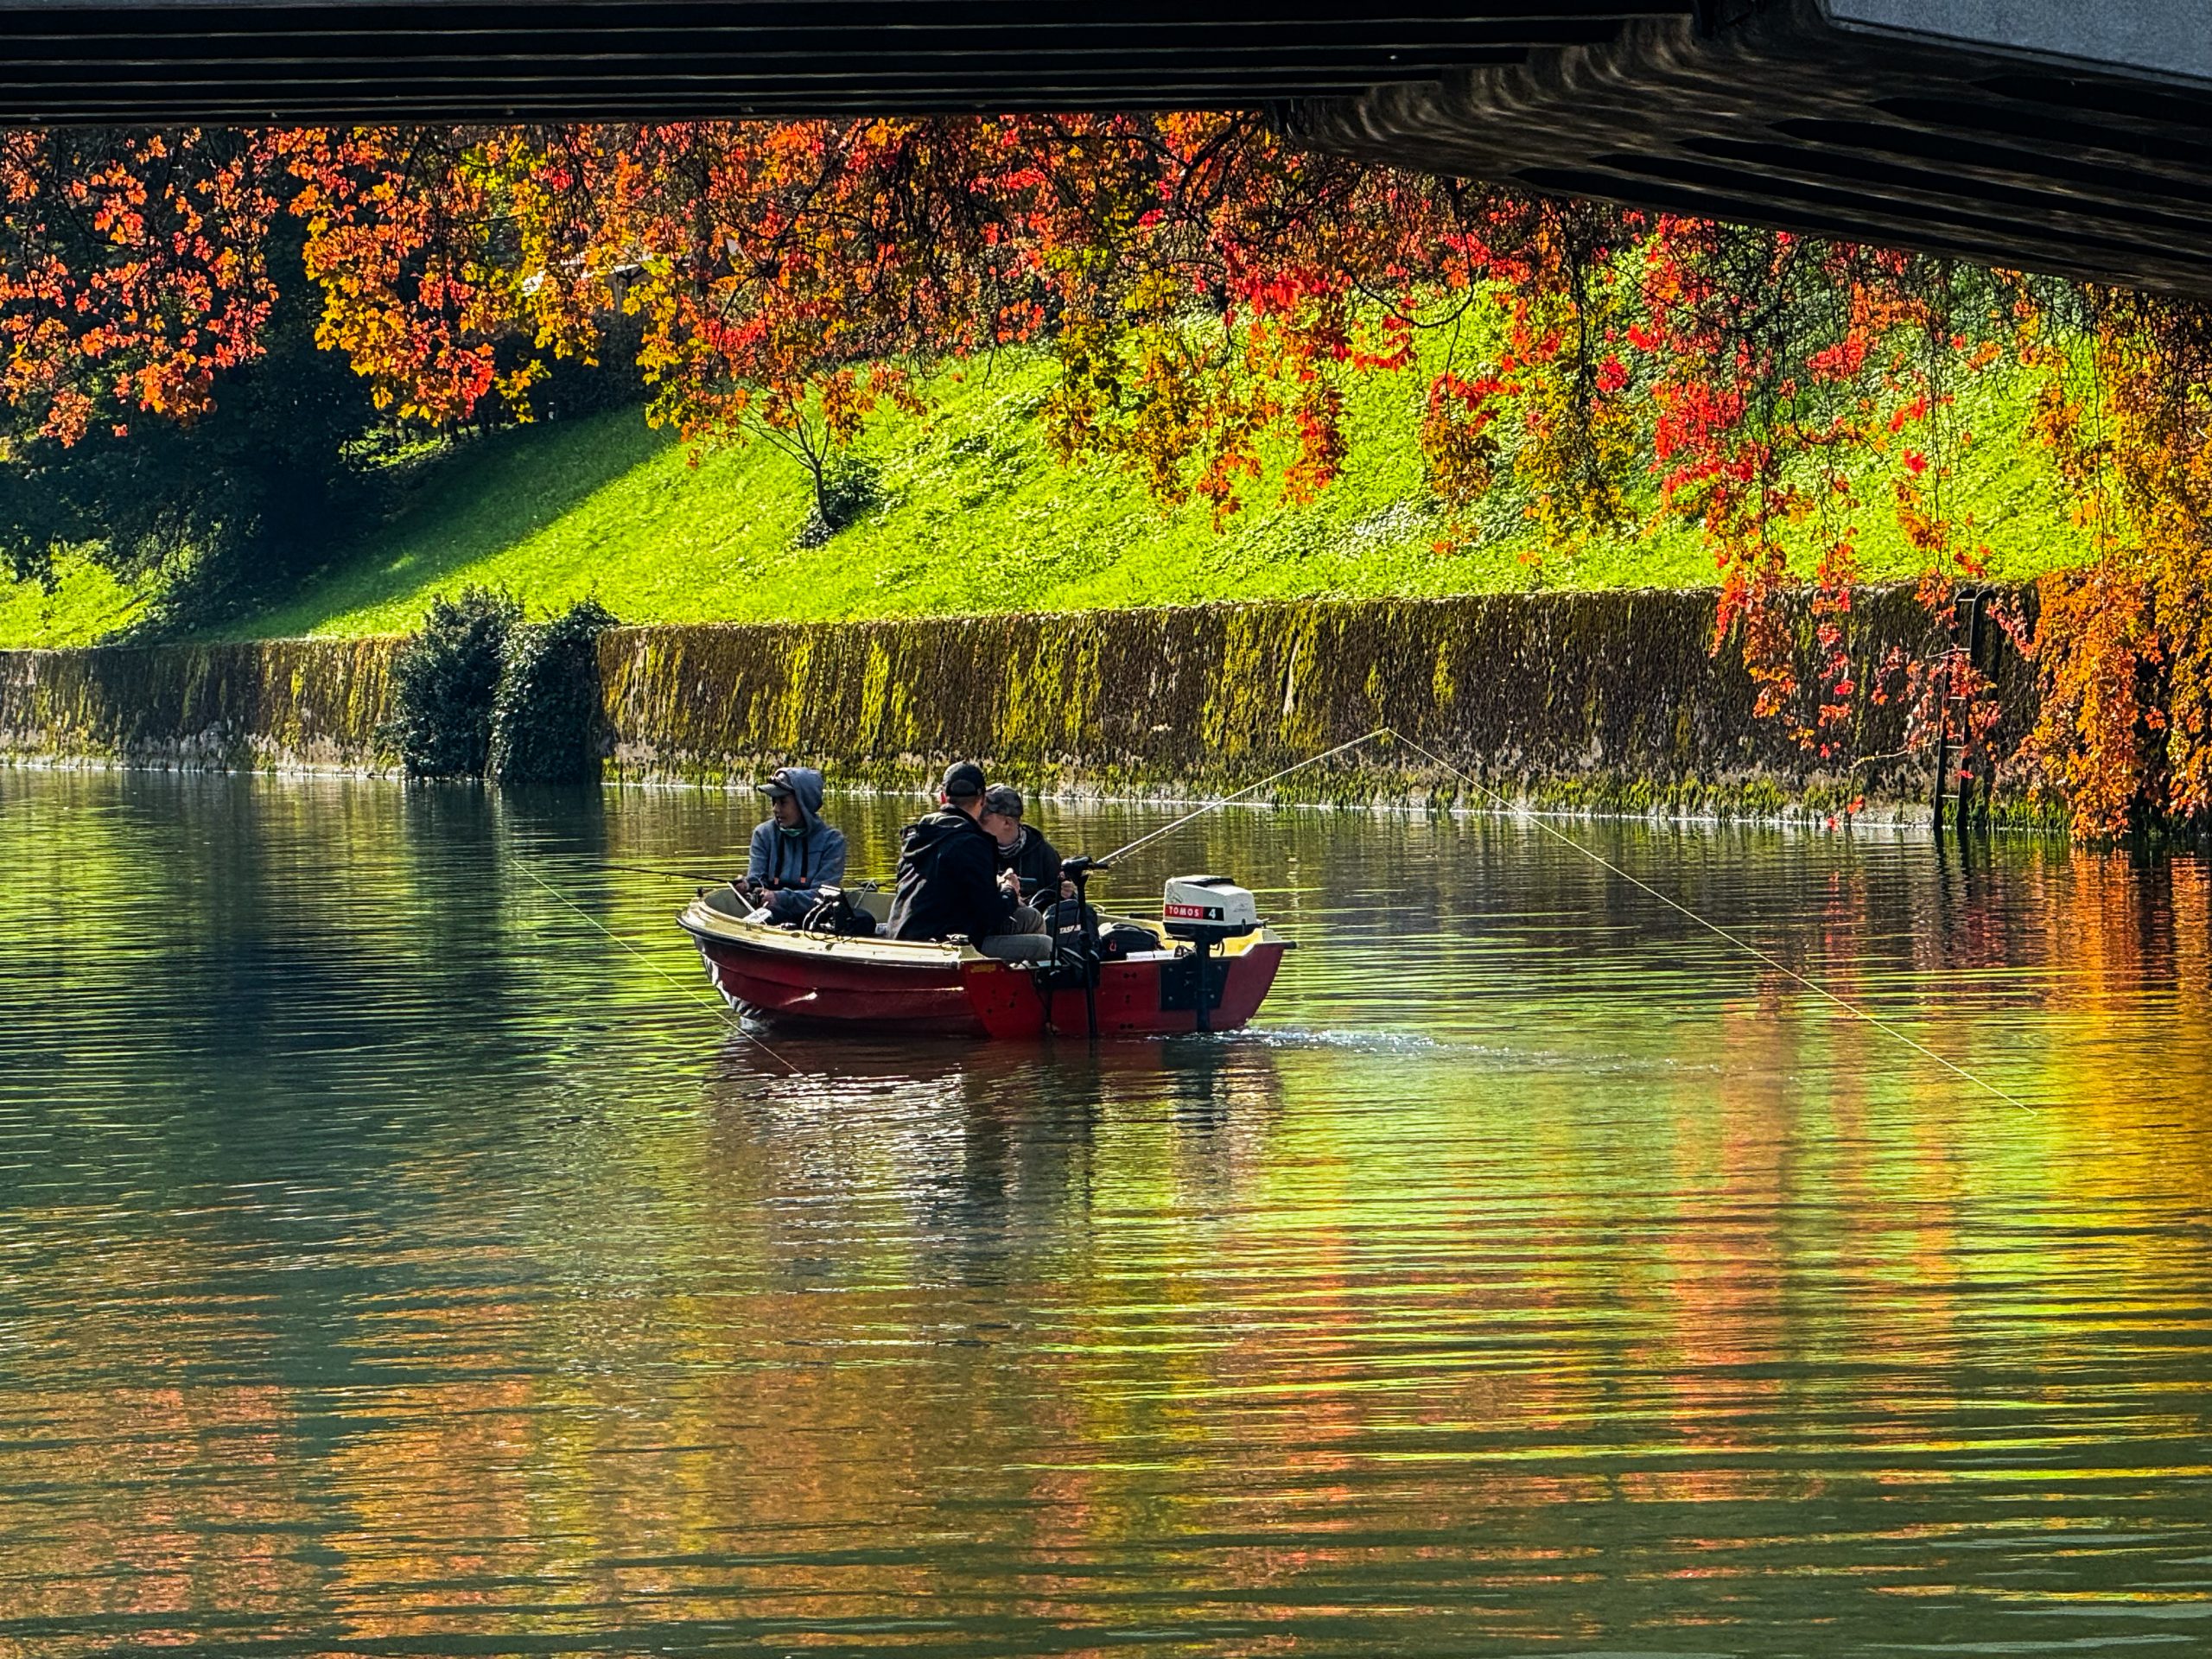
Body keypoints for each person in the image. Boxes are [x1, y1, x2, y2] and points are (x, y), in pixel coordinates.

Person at [887, 762, 1045, 943]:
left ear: (942, 797)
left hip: (900, 937)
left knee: (1026, 918)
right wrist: (1010, 890)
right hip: (944, 945)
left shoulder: (915, 837)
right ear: (983, 800)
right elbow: (991, 916)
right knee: (1040, 939)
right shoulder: (973, 843)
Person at [743, 766, 847, 925]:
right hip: (769, 918)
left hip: (816, 921)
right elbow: (756, 882)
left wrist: (779, 898)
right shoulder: (763, 834)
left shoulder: (833, 841)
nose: (775, 809)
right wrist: (746, 888)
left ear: (803, 804)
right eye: (774, 801)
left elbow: (823, 896)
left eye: (783, 802)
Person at [981, 785, 1075, 912]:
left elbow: (1061, 900)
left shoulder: (1044, 853)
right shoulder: (976, 849)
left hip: (1035, 920)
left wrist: (1067, 893)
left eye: (984, 815)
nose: (977, 819)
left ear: (1007, 823)